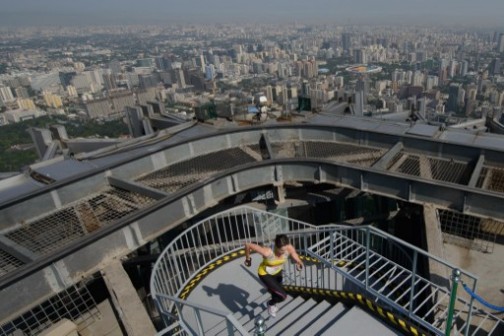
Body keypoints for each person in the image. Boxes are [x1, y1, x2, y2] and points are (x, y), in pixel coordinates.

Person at [244, 234, 303, 317]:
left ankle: (272, 303)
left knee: (275, 292)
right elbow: (248, 245)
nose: (283, 253)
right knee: (283, 296)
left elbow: (293, 253)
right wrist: (248, 258)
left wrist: (298, 261)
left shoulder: (288, 248)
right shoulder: (267, 252)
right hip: (265, 274)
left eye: (285, 251)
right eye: (281, 251)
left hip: (277, 272)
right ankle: (270, 304)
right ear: (276, 247)